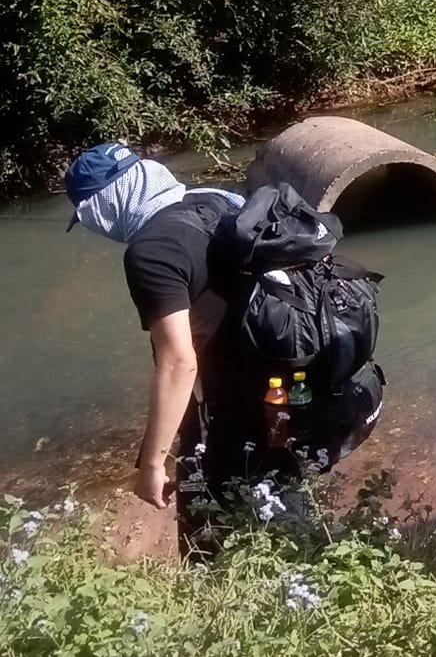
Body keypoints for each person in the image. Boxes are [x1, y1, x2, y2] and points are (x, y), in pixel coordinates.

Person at [64, 142, 300, 549]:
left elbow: (178, 363)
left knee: (209, 543)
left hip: (223, 413)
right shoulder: (214, 201)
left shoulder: (151, 251)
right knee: (287, 512)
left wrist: (152, 464)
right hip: (281, 391)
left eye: (88, 216)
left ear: (107, 204)